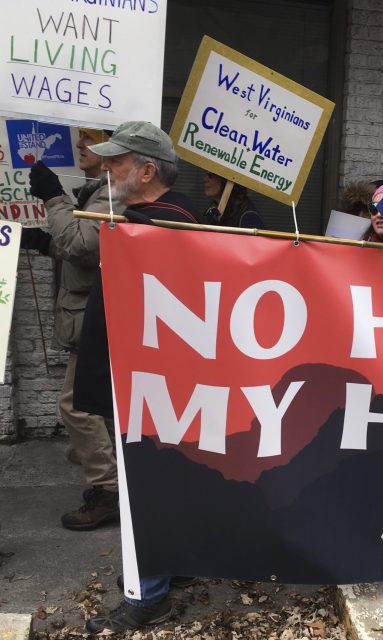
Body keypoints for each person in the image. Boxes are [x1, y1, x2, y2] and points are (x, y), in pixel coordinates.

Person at [71, 121, 205, 633]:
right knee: (171, 479)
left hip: (148, 385)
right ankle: (177, 565)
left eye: (117, 161)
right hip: (169, 383)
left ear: (147, 171)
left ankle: (149, 595)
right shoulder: (175, 220)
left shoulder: (148, 229)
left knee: (142, 485)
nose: (106, 167)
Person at [23, 128, 125, 531]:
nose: (80, 145)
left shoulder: (112, 193)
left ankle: (109, 488)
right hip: (88, 313)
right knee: (94, 403)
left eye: (90, 139)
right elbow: (80, 250)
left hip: (96, 316)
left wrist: (53, 196)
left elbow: (83, 245)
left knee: (75, 404)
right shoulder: (101, 190)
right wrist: (43, 243)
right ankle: (110, 476)